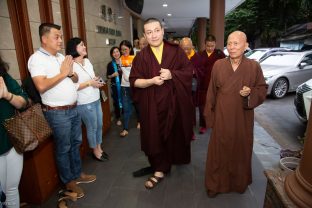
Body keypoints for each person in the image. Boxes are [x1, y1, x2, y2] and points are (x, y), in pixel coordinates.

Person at [28, 23, 96, 199]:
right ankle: (68, 181)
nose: (60, 40)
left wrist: (70, 72)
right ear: (44, 39)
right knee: (63, 148)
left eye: (60, 36)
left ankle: (77, 173)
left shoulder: (60, 57)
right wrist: (63, 72)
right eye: (56, 37)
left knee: (75, 143)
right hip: (57, 113)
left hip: (73, 108)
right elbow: (41, 86)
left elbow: (74, 78)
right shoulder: (36, 59)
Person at [129, 18, 194, 189]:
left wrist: (173, 74)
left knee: (175, 133)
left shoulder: (176, 51)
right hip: (151, 105)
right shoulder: (141, 57)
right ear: (145, 35)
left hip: (174, 103)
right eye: (149, 32)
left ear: (163, 31)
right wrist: (150, 81)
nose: (153, 35)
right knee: (154, 136)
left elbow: (188, 72)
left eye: (156, 30)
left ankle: (174, 158)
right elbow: (134, 81)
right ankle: (159, 169)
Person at [204, 31, 267, 197]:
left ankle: (238, 183)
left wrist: (251, 92)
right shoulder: (218, 65)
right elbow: (211, 92)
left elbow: (262, 89)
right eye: (229, 43)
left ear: (246, 46)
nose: (231, 47)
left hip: (242, 117)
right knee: (219, 151)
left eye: (236, 43)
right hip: (222, 115)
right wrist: (209, 115)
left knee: (240, 150)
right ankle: (215, 184)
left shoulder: (254, 66)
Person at [66, 37, 109, 162]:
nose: (84, 47)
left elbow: (91, 77)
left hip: (95, 98)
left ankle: (99, 147)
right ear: (74, 48)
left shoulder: (87, 61)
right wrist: (90, 83)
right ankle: (95, 151)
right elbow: (73, 86)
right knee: (92, 127)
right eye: (81, 45)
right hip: (84, 102)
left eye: (84, 44)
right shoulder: (71, 66)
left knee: (99, 124)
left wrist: (96, 80)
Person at [0, 55, 28, 208]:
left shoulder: (3, 76)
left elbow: (23, 102)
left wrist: (7, 95)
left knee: (11, 189)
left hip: (12, 141)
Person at [199, 34, 225, 134]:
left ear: (215, 44)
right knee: (202, 106)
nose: (210, 48)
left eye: (212, 46)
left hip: (216, 85)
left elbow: (225, 68)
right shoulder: (200, 55)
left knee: (217, 106)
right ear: (204, 44)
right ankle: (203, 125)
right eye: (208, 46)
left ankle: (215, 123)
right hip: (203, 86)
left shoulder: (220, 54)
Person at [179, 37, 204, 137]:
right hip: (180, 88)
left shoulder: (197, 57)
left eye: (188, 48)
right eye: (183, 48)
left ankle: (190, 131)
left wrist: (194, 72)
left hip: (192, 88)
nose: (186, 50)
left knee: (191, 109)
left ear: (192, 47)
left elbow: (202, 71)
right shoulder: (177, 56)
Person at [119, 40, 140, 137]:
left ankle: (140, 121)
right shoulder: (120, 59)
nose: (124, 51)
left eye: (125, 49)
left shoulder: (135, 58)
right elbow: (122, 71)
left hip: (134, 86)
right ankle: (125, 128)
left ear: (130, 48)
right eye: (122, 50)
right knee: (126, 107)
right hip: (124, 87)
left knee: (137, 105)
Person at [106, 46, 123, 126]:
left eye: (117, 51)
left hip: (125, 85)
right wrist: (112, 75)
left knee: (125, 101)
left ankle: (125, 115)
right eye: (114, 52)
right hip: (115, 86)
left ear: (120, 52)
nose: (116, 53)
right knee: (116, 102)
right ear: (112, 54)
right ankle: (118, 118)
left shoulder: (124, 61)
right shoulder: (110, 64)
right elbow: (108, 76)